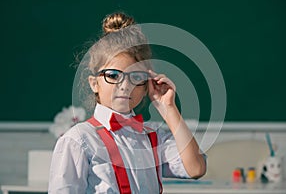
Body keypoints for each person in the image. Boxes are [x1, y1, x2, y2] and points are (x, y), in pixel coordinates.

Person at [48, 12, 206, 193]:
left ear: (146, 84)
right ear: (94, 83)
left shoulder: (152, 137)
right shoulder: (78, 140)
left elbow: (196, 169)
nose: (125, 86)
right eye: (113, 76)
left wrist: (169, 108)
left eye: (136, 77)